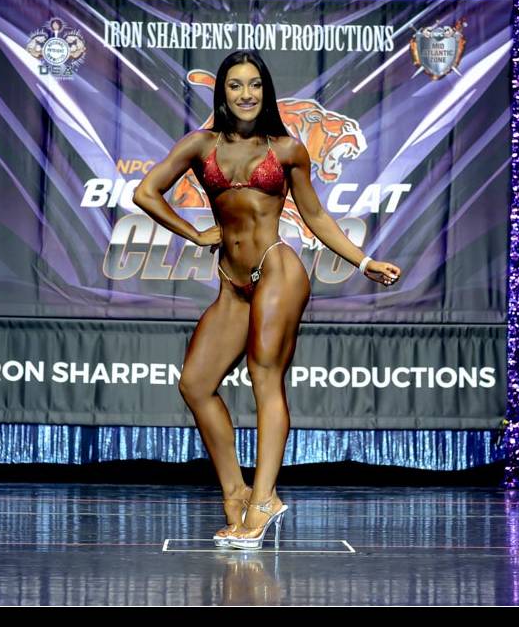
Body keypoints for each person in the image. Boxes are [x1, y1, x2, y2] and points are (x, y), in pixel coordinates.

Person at [133, 50, 401, 550]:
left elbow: (316, 217)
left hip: (277, 269)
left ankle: (263, 500)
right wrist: (194, 233)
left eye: (255, 84)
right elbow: (146, 193)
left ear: (266, 91)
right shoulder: (199, 145)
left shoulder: (287, 149)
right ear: (223, 92)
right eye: (236, 85)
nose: (246, 94)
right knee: (195, 384)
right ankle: (235, 491)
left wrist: (363, 261)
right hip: (232, 283)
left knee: (265, 377)